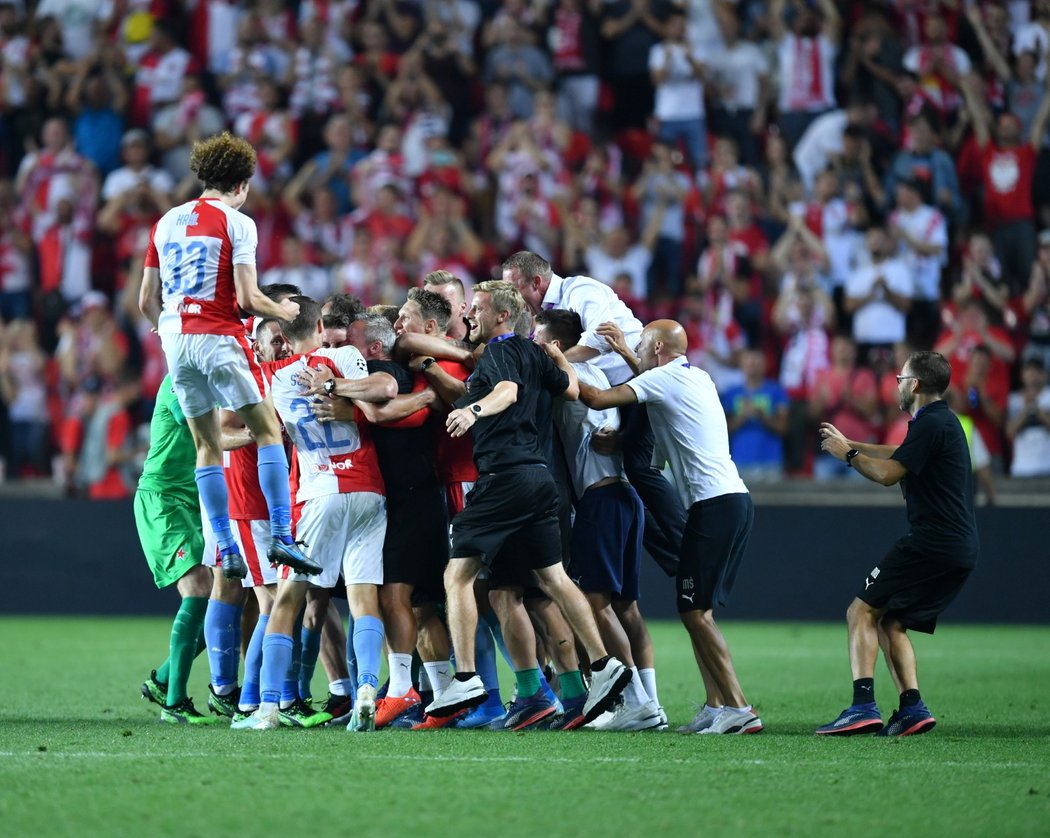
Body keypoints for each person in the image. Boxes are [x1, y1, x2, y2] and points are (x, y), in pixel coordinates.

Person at [424, 280, 631, 725]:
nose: (469, 316)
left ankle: (464, 677)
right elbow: (572, 391)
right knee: (552, 580)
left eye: (476, 309)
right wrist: (559, 359)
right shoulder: (538, 355)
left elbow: (507, 393)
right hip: (540, 479)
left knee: (457, 575)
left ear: (501, 316)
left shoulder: (501, 349)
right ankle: (602, 663)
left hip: (505, 476)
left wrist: (472, 411)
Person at [137, 131, 319, 583]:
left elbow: (145, 300)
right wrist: (284, 310)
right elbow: (247, 296)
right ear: (241, 184)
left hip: (177, 340)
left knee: (206, 445)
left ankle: (223, 546)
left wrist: (167, 331)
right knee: (268, 431)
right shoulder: (237, 223)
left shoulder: (165, 222)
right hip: (218, 336)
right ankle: (281, 534)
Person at [578, 320, 762, 736]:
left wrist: (556, 356)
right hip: (732, 500)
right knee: (698, 612)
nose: (637, 350)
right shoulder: (697, 377)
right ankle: (717, 706)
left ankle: (739, 707)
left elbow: (596, 395)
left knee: (694, 612)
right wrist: (624, 441)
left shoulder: (662, 378)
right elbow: (660, 445)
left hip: (714, 505)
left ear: (657, 347)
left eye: (642, 344)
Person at [232, 296, 398, 732]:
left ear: (283, 339)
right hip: (368, 489)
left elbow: (230, 411)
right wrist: (336, 387)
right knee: (364, 597)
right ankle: (365, 687)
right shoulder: (344, 356)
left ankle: (267, 708)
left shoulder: (269, 376)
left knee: (287, 601)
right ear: (322, 325)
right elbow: (384, 389)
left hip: (318, 493)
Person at [817, 351, 979, 737]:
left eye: (901, 379)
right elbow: (899, 454)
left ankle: (862, 707)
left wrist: (850, 455)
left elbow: (889, 474)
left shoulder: (929, 422)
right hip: (958, 547)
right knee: (893, 621)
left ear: (916, 385)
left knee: (859, 611)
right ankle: (912, 708)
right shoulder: (941, 422)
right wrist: (853, 441)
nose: (898, 385)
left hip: (931, 541)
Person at [503, 250, 685, 579]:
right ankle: (676, 559)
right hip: (609, 392)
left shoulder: (580, 290)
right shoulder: (545, 314)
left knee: (640, 470)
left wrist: (549, 360)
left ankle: (686, 546)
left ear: (537, 282)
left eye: (516, 289)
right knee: (626, 475)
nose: (514, 299)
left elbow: (599, 337)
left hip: (634, 380)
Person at [135, 373, 217, 725]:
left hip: (193, 499)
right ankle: (175, 702)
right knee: (199, 585)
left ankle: (164, 680)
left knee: (223, 597)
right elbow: (199, 425)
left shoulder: (219, 377)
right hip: (162, 498)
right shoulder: (178, 379)